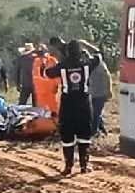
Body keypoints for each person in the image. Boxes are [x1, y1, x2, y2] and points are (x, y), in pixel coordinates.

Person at [43, 39, 102, 175]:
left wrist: (46, 60)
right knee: (84, 135)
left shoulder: (62, 66)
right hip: (84, 103)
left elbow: (46, 73)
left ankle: (68, 167)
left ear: (67, 52)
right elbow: (99, 54)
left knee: (67, 135)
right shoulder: (87, 64)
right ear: (80, 51)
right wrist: (87, 44)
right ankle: (83, 166)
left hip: (67, 104)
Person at [88, 49, 112, 136]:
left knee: (96, 114)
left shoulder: (99, 65)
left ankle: (94, 133)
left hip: (100, 93)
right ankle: (101, 130)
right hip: (93, 93)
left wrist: (109, 90)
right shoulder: (89, 65)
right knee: (95, 113)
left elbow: (107, 76)